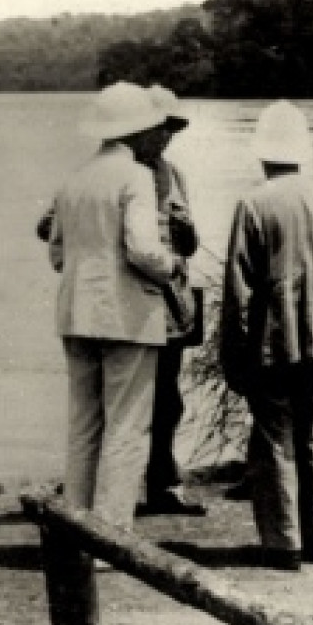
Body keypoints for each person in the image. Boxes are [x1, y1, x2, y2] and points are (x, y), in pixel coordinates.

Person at [220, 101, 313, 570]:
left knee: (275, 437)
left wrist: (233, 352)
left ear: (263, 154)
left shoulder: (254, 204)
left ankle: (283, 542)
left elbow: (238, 289)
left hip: (271, 343)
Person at [47, 82, 182, 526]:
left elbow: (57, 254)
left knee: (84, 425)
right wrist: (173, 264)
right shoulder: (136, 176)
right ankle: (112, 538)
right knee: (126, 428)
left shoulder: (73, 179)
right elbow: (143, 249)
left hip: (75, 312)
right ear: (139, 132)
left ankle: (76, 529)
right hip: (126, 315)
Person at [137, 85, 207, 517]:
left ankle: (163, 483)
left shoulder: (174, 174)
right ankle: (124, 486)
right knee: (131, 400)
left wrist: (186, 231)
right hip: (135, 304)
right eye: (160, 129)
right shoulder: (119, 174)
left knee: (168, 399)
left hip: (173, 306)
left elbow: (190, 244)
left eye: (172, 130)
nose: (166, 137)